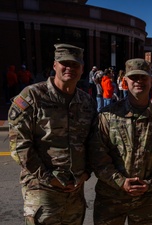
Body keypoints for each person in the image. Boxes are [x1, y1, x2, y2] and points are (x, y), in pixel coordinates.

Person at [8, 43, 97, 224]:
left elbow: (93, 142)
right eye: (64, 63)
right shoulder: (31, 96)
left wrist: (87, 173)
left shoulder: (86, 101)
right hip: (42, 190)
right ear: (54, 65)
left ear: (82, 70)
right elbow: (19, 146)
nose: (69, 68)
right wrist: (49, 178)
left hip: (75, 191)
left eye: (75, 65)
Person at [88, 58, 152, 225]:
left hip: (146, 201)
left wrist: (151, 184)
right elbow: (97, 156)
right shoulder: (108, 116)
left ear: (151, 81)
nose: (139, 82)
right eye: (134, 77)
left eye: (143, 77)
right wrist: (121, 182)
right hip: (111, 199)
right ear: (125, 81)